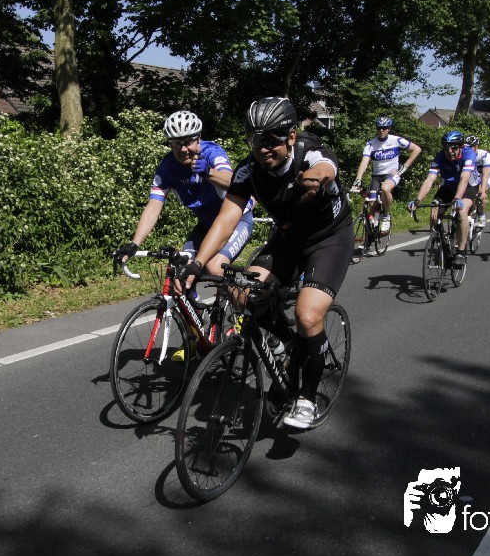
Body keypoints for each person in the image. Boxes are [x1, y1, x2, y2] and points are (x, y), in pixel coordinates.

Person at [174, 97, 353, 430]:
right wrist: (198, 263)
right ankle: (293, 343)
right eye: (257, 140)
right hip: (288, 241)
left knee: (308, 314)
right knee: (240, 292)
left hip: (329, 239)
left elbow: (325, 168)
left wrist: (314, 179)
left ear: (291, 137)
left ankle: (306, 398)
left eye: (272, 139)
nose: (264, 148)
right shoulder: (249, 171)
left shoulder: (311, 153)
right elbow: (226, 219)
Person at [114, 110, 254, 280]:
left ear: (198, 138)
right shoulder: (168, 167)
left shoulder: (211, 152)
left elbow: (233, 181)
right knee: (180, 271)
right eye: (176, 144)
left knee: (214, 268)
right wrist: (135, 243)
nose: (183, 149)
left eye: (188, 142)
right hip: (206, 225)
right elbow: (153, 208)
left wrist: (209, 172)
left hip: (237, 220)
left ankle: (243, 297)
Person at [408, 131, 478, 268]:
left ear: (461, 147)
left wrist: (457, 198)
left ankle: (461, 252)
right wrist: (417, 200)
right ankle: (440, 245)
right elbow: (430, 180)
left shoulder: (469, 154)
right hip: (448, 187)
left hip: (468, 186)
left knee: (461, 211)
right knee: (434, 213)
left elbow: (464, 179)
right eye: (446, 148)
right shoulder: (440, 156)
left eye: (454, 148)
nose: (449, 152)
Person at [350, 116, 422, 235]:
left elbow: (417, 149)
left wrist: (405, 166)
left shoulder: (396, 140)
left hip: (391, 175)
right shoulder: (370, 144)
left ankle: (386, 216)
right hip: (376, 176)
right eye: (379, 128)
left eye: (384, 128)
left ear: (389, 129)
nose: (381, 130)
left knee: (385, 189)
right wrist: (358, 180)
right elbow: (364, 162)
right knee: (372, 205)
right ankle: (372, 233)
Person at [465, 135, 490, 226]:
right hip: (475, 177)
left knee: (480, 192)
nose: (467, 149)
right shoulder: (465, 155)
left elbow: (486, 174)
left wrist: (483, 190)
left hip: (487, 176)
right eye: (465, 147)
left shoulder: (484, 154)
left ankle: (482, 215)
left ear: (476, 147)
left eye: (470, 147)